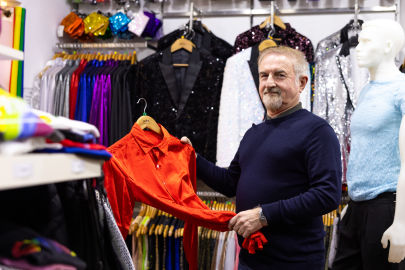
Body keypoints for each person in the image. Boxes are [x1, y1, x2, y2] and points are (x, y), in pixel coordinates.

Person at [181, 46, 342, 270]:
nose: (269, 82)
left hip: (294, 263)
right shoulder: (253, 133)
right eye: (264, 75)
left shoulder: (317, 131)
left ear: (302, 83)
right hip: (250, 259)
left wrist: (264, 215)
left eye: (280, 75)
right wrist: (191, 157)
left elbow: (327, 195)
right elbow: (230, 183)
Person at [332, 19, 405, 270]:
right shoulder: (366, 91)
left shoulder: (402, 90)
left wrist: (401, 223)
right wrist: (354, 207)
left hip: (387, 207)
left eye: (366, 41)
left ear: (387, 47)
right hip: (357, 206)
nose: (358, 47)